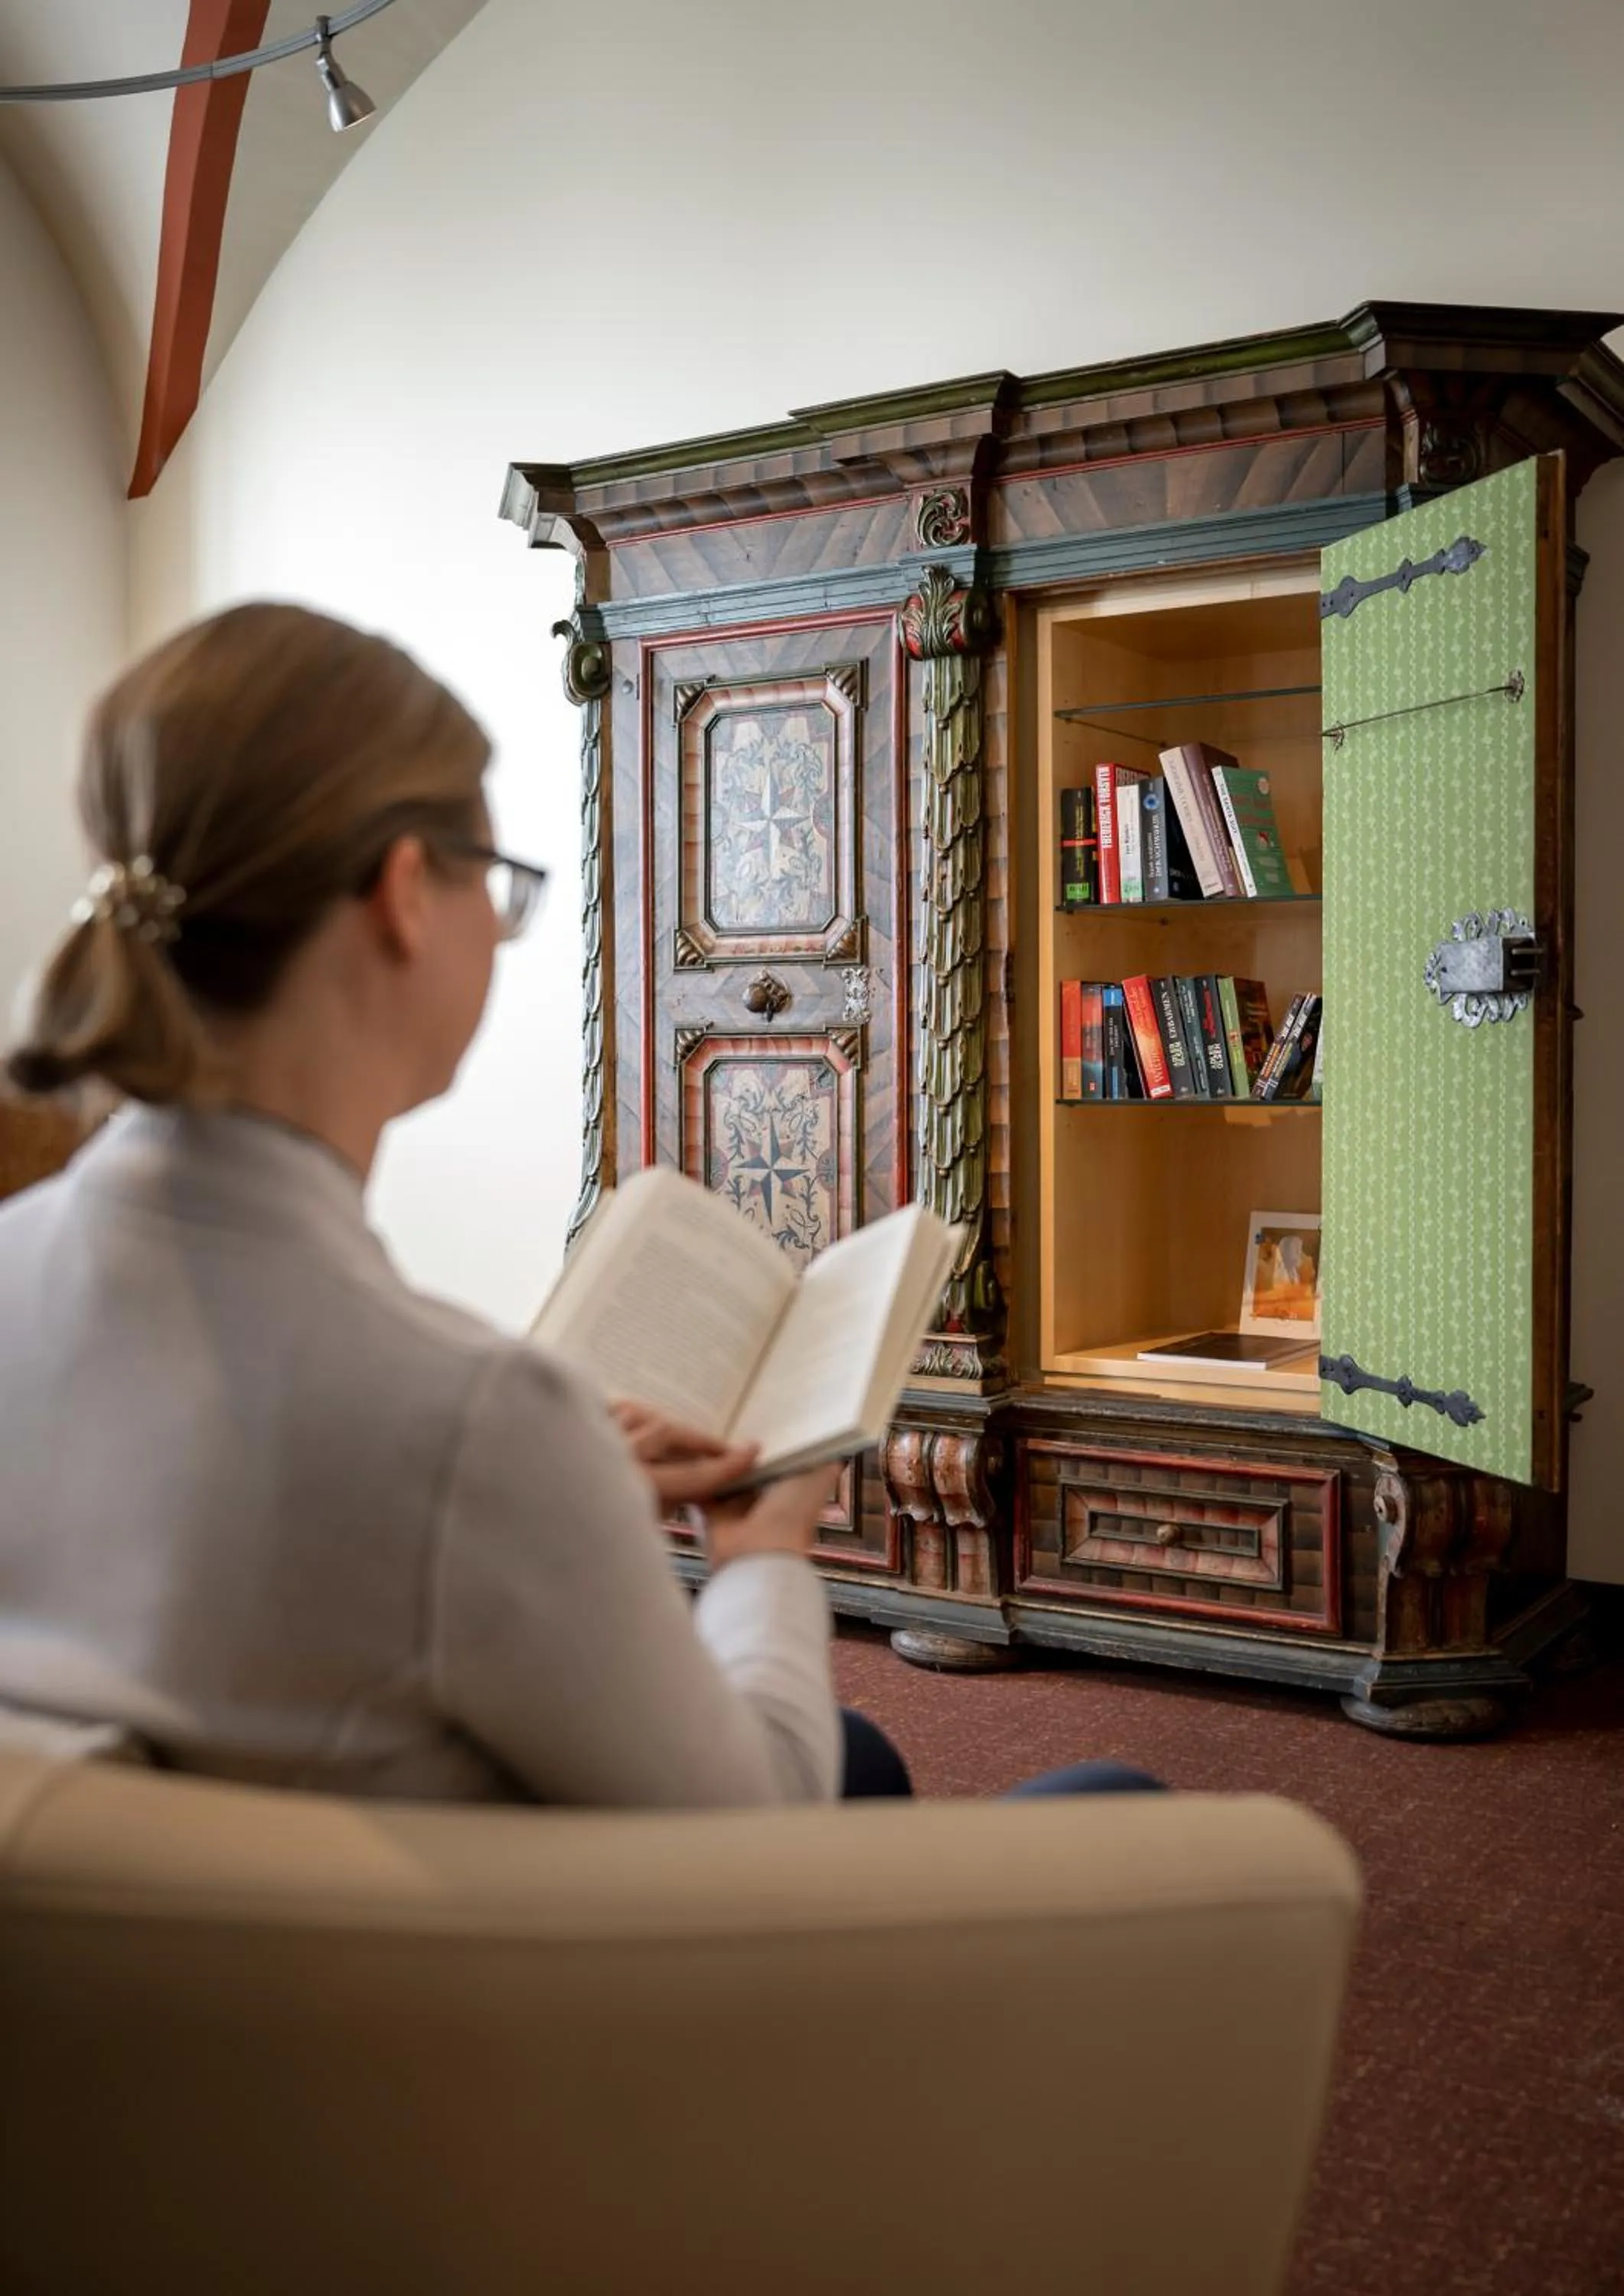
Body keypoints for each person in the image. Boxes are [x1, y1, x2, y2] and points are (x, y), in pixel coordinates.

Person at [0, 602, 1156, 1806]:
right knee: (1113, 1810)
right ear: (405, 893)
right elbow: (747, 1829)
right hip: (477, 1982)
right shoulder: (468, 1424)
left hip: (144, 1956)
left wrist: (569, 1486)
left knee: (861, 1755)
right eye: (499, 886)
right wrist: (760, 1557)